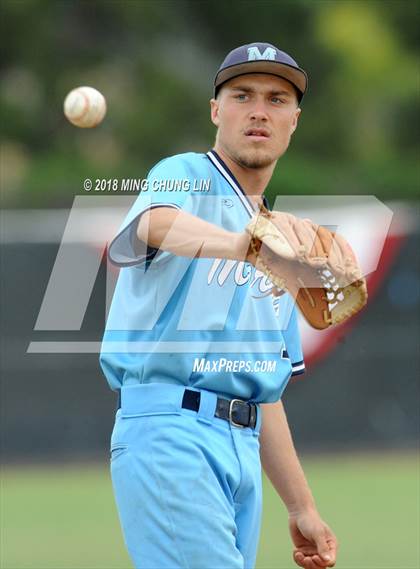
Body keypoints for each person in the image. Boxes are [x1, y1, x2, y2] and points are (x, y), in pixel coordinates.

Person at [100, 41, 338, 569]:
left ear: (294, 120)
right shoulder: (184, 173)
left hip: (242, 447)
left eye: (277, 99)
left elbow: (262, 385)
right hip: (169, 430)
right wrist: (250, 248)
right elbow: (152, 223)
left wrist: (301, 506)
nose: (259, 110)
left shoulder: (279, 240)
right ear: (216, 110)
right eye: (242, 95)